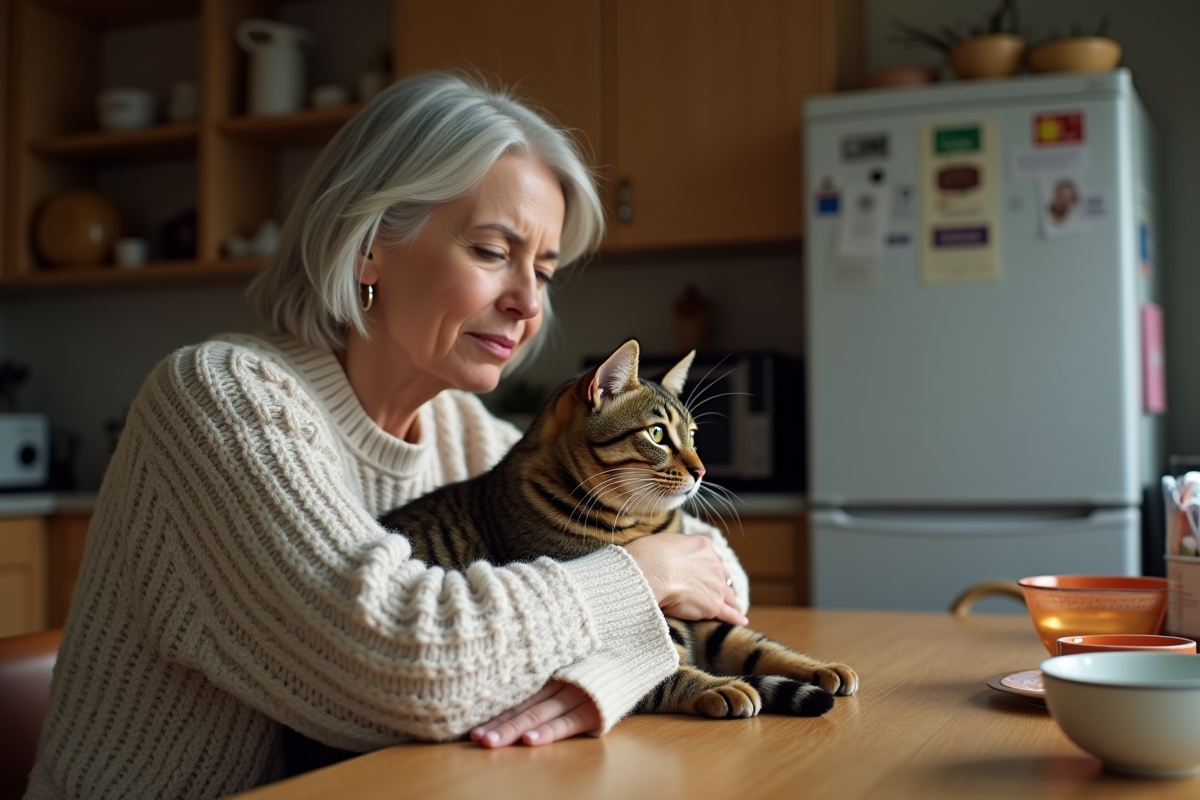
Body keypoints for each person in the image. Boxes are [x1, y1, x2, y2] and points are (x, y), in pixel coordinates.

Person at [25, 72, 749, 799]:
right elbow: (411, 669)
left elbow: (712, 574)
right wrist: (639, 583)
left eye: (544, 271)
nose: (528, 303)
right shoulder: (219, 398)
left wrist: (607, 677)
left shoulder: (462, 431)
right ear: (369, 246)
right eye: (492, 252)